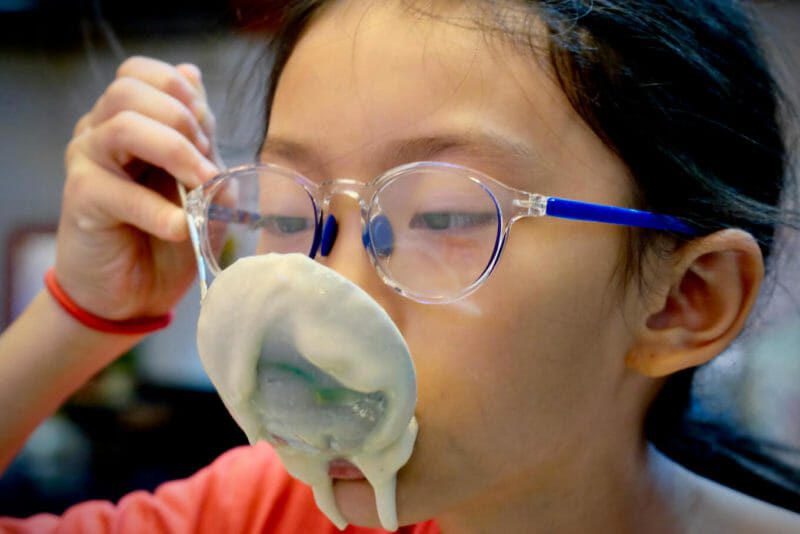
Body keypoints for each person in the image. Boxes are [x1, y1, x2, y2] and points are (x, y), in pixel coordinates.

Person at [1, 0, 799, 532]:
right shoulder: (269, 510)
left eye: (444, 215)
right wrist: (79, 314)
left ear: (685, 300)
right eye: (291, 214)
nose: (328, 296)